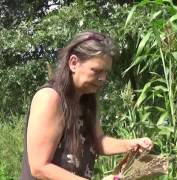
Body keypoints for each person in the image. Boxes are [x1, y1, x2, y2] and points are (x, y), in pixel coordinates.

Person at [20, 31, 153, 179]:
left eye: (105, 72)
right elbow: (39, 167)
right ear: (73, 63)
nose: (103, 78)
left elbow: (98, 141)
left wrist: (131, 144)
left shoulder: (85, 100)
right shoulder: (50, 98)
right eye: (96, 71)